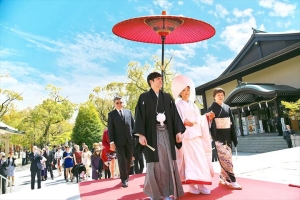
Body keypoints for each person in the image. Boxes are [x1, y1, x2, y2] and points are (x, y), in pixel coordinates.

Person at [133, 72, 186, 200]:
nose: (161, 81)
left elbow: (174, 116)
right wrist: (140, 135)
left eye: (161, 79)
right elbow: (139, 117)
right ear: (151, 81)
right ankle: (155, 194)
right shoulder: (144, 97)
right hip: (151, 136)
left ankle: (167, 193)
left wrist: (178, 132)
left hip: (167, 134)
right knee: (153, 164)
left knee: (168, 162)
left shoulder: (167, 97)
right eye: (158, 79)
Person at [171, 75, 215, 195]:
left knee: (200, 159)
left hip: (196, 134)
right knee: (189, 161)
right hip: (187, 135)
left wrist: (206, 117)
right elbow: (178, 119)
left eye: (188, 90)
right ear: (180, 92)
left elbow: (199, 118)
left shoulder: (193, 104)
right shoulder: (178, 105)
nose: (186, 92)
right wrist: (185, 122)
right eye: (184, 90)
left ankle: (201, 185)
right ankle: (191, 185)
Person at [207, 87, 242, 190]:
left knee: (226, 158)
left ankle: (223, 176)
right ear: (214, 97)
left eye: (222, 95)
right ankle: (233, 180)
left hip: (228, 135)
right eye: (218, 95)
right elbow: (208, 123)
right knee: (226, 159)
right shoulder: (211, 108)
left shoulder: (227, 107)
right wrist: (210, 119)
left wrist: (234, 136)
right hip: (218, 136)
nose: (220, 96)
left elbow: (232, 123)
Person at [108, 96, 135, 187]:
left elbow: (133, 125)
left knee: (128, 159)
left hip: (130, 140)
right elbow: (110, 129)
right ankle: (124, 179)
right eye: (117, 103)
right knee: (122, 160)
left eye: (121, 102)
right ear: (114, 104)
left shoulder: (129, 112)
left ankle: (126, 175)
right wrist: (112, 141)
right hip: (118, 142)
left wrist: (136, 137)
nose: (120, 104)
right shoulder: (111, 114)